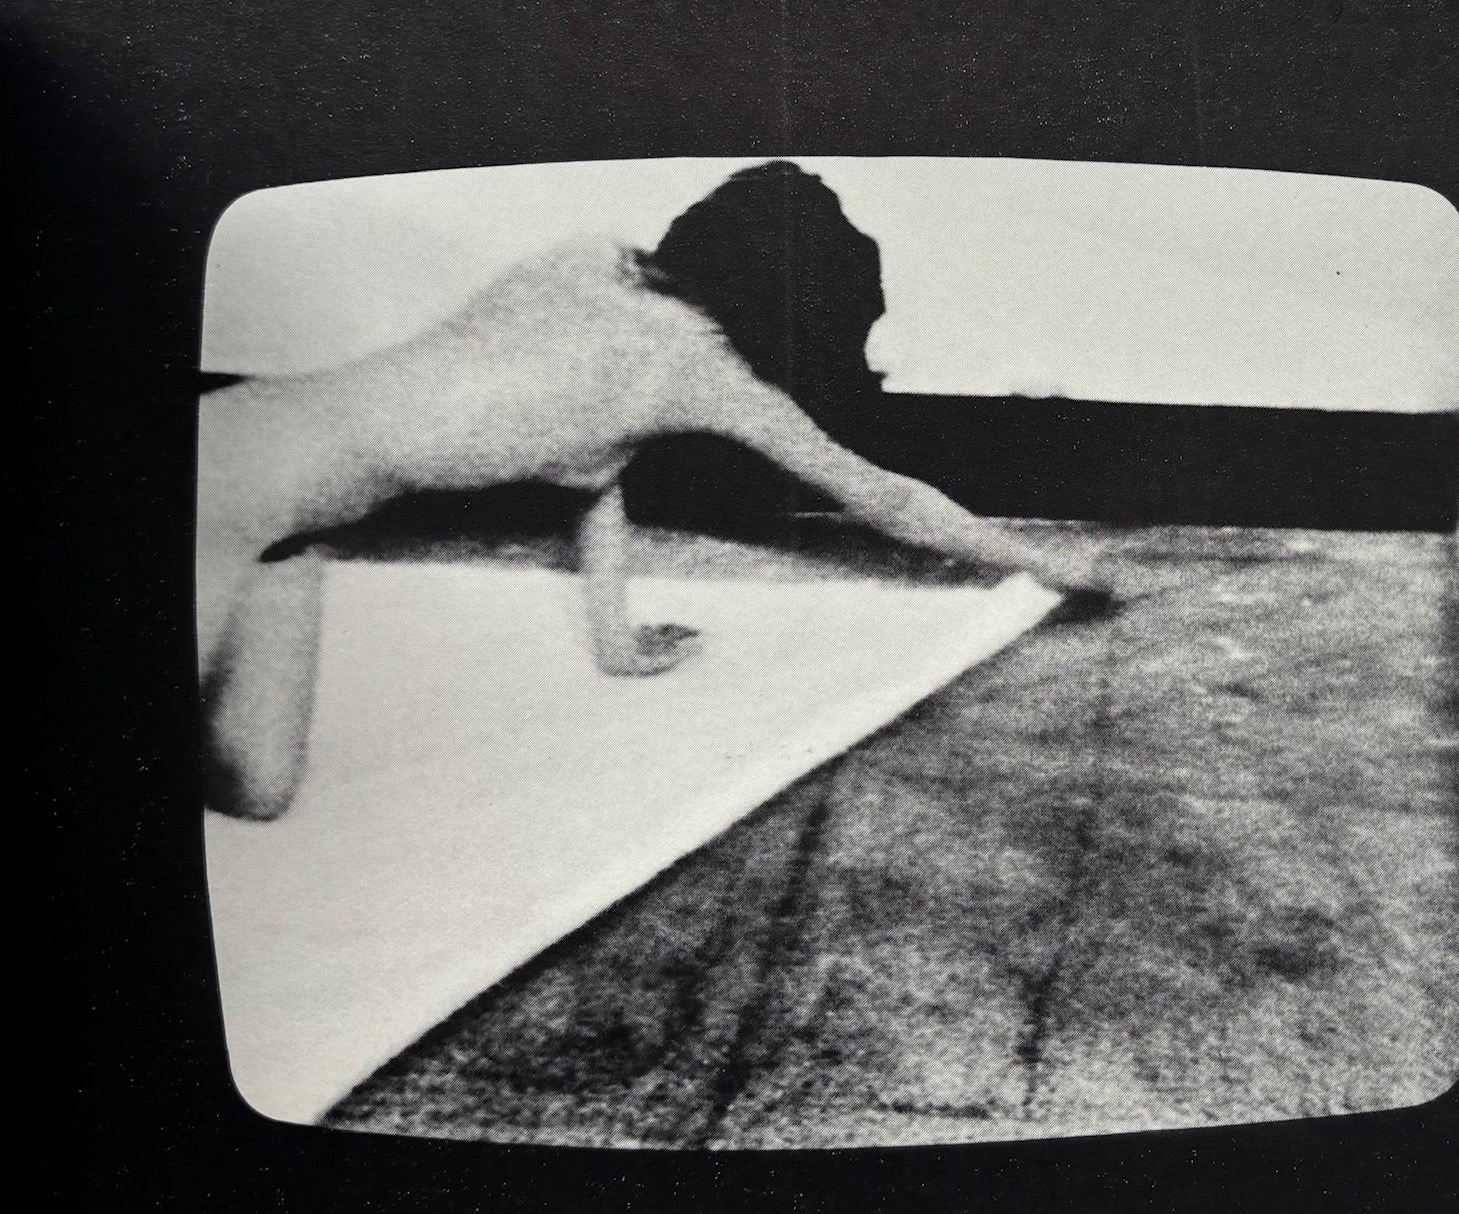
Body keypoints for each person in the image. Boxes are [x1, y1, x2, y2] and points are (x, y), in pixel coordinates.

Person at [198, 165, 1116, 821]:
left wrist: (612, 636)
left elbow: (593, 463)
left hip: (271, 495)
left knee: (257, 790)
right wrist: (1046, 560)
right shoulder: (702, 372)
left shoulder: (584, 260)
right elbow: (890, 501)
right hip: (229, 487)